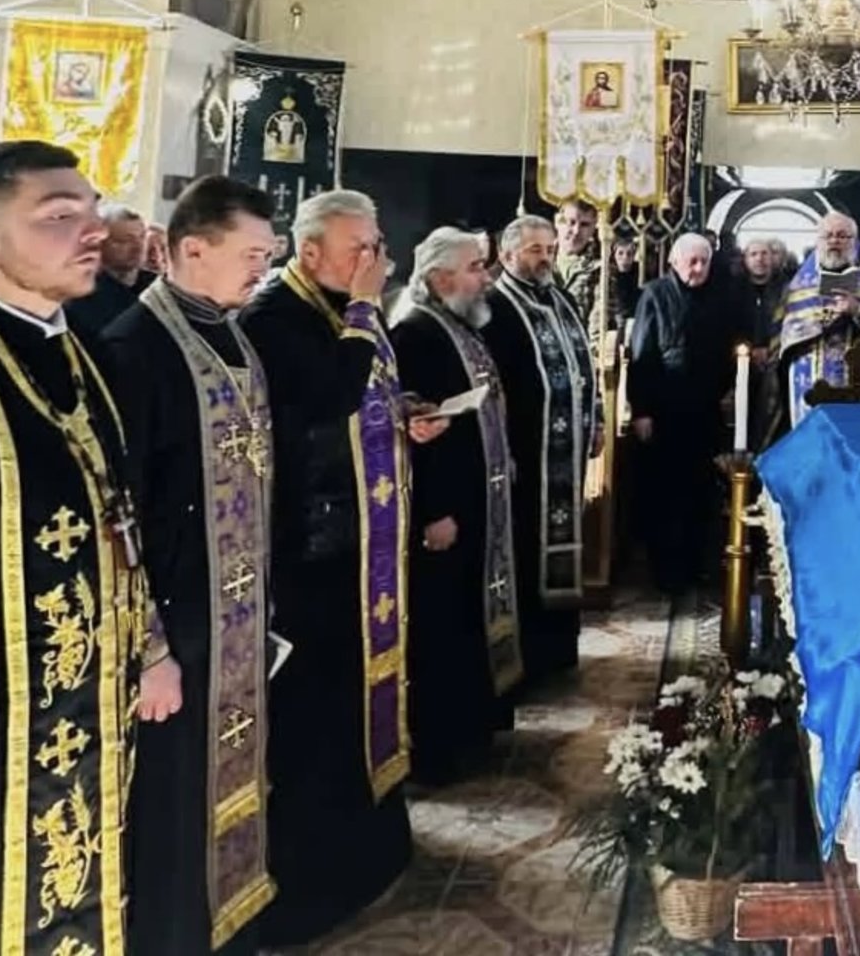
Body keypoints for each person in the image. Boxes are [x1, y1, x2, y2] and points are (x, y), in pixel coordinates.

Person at [0, 140, 158, 956]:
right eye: (60, 215)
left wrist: (152, 646)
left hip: (86, 706)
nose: (93, 230)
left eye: (92, 210)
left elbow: (119, 510)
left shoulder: (85, 353)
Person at [239, 189, 442, 944]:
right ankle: (319, 876)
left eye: (378, 246)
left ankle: (372, 847)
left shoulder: (343, 311)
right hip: (310, 562)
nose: (375, 261)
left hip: (362, 553)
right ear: (310, 251)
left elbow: (362, 399)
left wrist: (406, 411)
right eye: (361, 248)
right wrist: (364, 306)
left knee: (364, 700)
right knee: (316, 724)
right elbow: (326, 397)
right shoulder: (274, 317)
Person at [101, 175, 277, 955]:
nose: (262, 269)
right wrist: (151, 652)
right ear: (193, 250)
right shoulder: (133, 349)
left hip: (231, 617)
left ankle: (227, 927)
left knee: (229, 782)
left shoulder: (230, 331)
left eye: (268, 255)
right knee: (174, 802)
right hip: (177, 628)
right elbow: (120, 514)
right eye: (251, 254)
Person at [390, 227, 522, 783]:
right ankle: (439, 747)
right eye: (474, 267)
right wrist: (433, 511)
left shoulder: (459, 326)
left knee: (468, 617)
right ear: (440, 277)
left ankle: (474, 726)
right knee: (440, 628)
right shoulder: (413, 333)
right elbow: (416, 433)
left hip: (477, 499)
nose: (485, 277)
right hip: (445, 509)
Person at [482, 215, 600, 682]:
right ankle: (532, 654)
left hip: (566, 454)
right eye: (535, 250)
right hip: (527, 456)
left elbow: (584, 365)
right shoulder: (495, 306)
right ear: (507, 254)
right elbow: (493, 386)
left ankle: (559, 647)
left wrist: (596, 420)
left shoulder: (559, 297)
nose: (545, 257)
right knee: (528, 550)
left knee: (565, 544)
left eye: (550, 249)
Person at [628, 233, 738, 596]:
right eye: (692, 261)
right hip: (664, 411)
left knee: (700, 491)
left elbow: (727, 352)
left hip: (704, 410)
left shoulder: (719, 297)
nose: (698, 268)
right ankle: (666, 572)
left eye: (704, 261)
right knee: (666, 493)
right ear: (675, 262)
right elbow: (642, 355)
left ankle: (695, 567)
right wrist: (641, 410)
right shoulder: (654, 294)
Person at [777, 211, 860, 427]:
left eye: (842, 235)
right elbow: (788, 331)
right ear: (818, 241)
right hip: (811, 371)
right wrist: (821, 318)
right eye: (828, 235)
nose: (834, 241)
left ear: (854, 240)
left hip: (858, 376)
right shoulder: (801, 285)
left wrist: (858, 310)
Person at [65, 202, 153, 336]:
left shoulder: (158, 286)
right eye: (124, 241)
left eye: (142, 237)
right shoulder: (78, 295)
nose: (138, 247)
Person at [738, 234, 785, 447]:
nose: (760, 259)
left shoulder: (785, 289)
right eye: (754, 254)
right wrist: (749, 348)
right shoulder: (734, 289)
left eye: (764, 253)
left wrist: (770, 348)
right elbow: (728, 324)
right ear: (745, 259)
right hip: (740, 363)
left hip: (776, 361)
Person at [553, 199, 603, 333]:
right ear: (557, 222)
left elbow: (598, 325)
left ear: (593, 228)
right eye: (571, 222)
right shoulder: (538, 259)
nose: (576, 231)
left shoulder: (600, 268)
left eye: (585, 225)